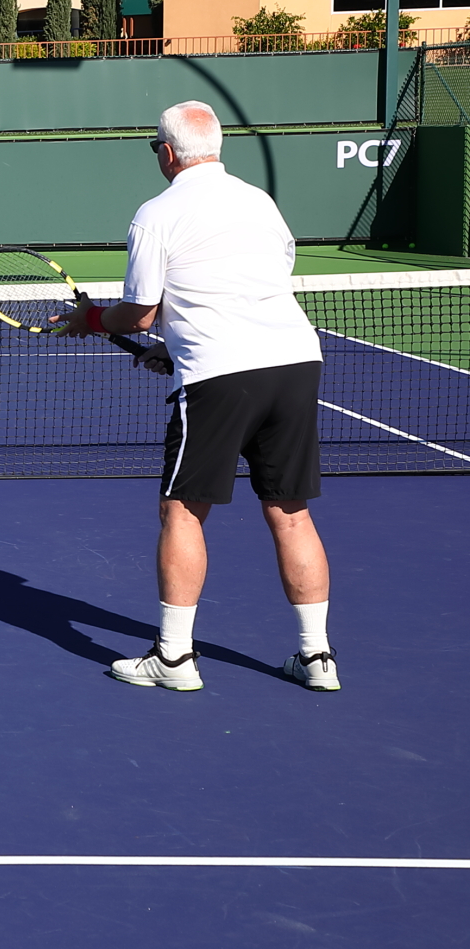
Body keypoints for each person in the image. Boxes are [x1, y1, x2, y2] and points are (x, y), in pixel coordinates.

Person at [58, 100, 335, 693]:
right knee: (291, 512)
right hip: (294, 361)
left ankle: (174, 660)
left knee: (181, 510)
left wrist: (91, 319)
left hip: (220, 373)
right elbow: (259, 279)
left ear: (166, 151)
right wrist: (175, 348)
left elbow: (141, 311)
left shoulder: (156, 213)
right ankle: (317, 659)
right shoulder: (259, 201)